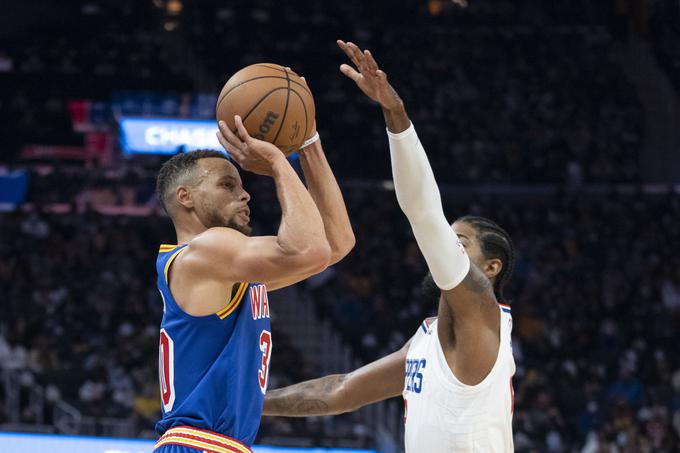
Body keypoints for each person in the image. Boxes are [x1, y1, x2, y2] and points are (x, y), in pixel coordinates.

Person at [263, 41, 516, 452]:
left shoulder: (485, 317)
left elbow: (423, 213)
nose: (446, 245)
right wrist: (250, 404)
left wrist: (395, 116)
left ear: (491, 268)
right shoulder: (426, 340)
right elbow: (340, 391)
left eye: (461, 241)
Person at [153, 113, 355, 452]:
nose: (245, 195)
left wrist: (309, 144)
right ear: (185, 196)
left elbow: (336, 244)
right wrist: (278, 160)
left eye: (242, 186)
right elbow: (309, 248)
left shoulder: (225, 272)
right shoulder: (205, 250)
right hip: (201, 443)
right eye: (227, 185)